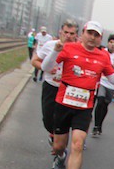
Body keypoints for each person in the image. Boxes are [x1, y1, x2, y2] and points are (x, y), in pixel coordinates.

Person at [41, 21, 114, 169]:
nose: (92, 38)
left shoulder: (103, 56)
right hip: (63, 103)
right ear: (83, 34)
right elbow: (45, 68)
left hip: (84, 107)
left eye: (96, 35)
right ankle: (61, 156)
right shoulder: (68, 48)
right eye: (90, 33)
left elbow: (113, 80)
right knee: (59, 146)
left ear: (100, 39)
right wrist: (55, 51)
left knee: (78, 144)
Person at [31, 20, 79, 160]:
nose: (68, 36)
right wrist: (45, 68)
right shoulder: (50, 45)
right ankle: (53, 135)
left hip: (68, 90)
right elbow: (35, 61)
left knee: (64, 121)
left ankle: (60, 149)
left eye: (72, 33)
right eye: (66, 32)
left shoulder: (79, 50)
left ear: (76, 35)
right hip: (51, 86)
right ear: (60, 32)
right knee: (48, 118)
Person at [91, 34, 114, 137]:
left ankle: (100, 124)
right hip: (102, 81)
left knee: (105, 104)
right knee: (100, 101)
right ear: (107, 43)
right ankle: (96, 126)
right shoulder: (102, 52)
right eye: (110, 42)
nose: (112, 45)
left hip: (112, 84)